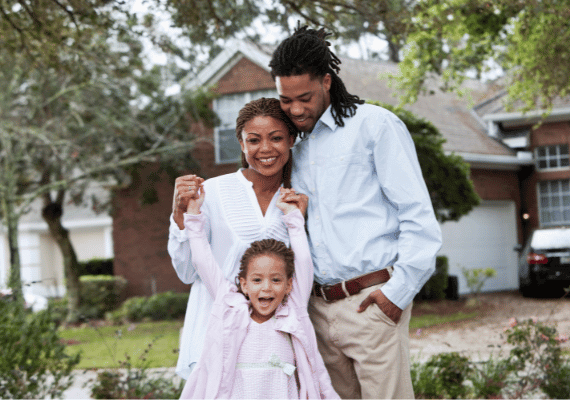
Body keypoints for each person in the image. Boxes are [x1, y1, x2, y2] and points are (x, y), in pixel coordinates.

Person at [269, 25, 443, 399]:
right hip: (315, 308)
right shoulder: (289, 144)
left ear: (327, 81)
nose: (296, 109)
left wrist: (396, 294)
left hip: (371, 303)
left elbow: (418, 216)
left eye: (305, 97)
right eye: (286, 100)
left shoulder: (375, 126)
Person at [168, 98, 301, 379]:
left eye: (276, 138)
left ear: (291, 139)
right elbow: (187, 272)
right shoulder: (212, 193)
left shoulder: (297, 199)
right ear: (241, 144)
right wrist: (180, 214)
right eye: (254, 140)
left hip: (273, 341)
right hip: (216, 335)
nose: (265, 149)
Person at [179, 185, 339, 399]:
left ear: (289, 285)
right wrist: (193, 215)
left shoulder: (293, 312)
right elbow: (202, 261)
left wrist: (293, 217)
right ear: (244, 284)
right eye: (257, 280)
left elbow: (303, 261)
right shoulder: (230, 309)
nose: (266, 287)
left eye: (275, 280)